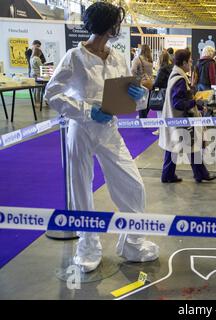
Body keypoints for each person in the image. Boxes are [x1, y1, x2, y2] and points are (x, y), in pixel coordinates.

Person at [44, 2, 159, 273]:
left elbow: (132, 96)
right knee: (81, 188)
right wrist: (85, 110)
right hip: (80, 128)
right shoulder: (74, 57)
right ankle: (87, 247)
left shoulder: (117, 57)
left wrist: (138, 95)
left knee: (133, 184)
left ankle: (132, 241)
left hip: (109, 128)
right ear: (110, 26)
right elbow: (52, 93)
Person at [159, 49, 216, 184]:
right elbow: (178, 103)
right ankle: (200, 174)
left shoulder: (175, 75)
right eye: (190, 61)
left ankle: (170, 175)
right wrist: (194, 102)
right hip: (181, 120)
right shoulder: (179, 79)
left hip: (175, 120)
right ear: (184, 62)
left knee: (175, 147)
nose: (191, 63)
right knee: (191, 147)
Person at [151, 50, 174, 136]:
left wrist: (151, 85)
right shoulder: (171, 67)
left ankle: (161, 130)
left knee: (160, 112)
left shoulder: (162, 69)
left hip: (162, 93)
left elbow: (157, 83)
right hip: (169, 92)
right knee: (167, 112)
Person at [131, 44, 154, 118]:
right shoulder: (150, 60)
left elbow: (133, 70)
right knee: (148, 103)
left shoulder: (137, 59)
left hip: (142, 83)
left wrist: (137, 79)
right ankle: (145, 117)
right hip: (150, 83)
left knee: (142, 103)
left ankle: (142, 119)